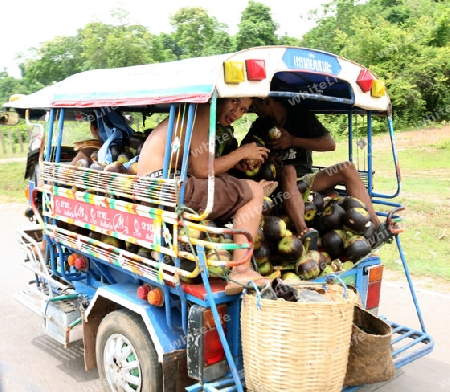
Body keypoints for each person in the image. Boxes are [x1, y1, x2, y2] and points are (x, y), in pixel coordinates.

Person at [138, 98, 271, 294]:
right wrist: (243, 152)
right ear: (220, 98)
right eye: (234, 101)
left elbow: (192, 166)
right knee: (254, 190)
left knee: (239, 186)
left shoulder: (194, 112)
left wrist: (234, 163)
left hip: (155, 187)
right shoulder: (203, 110)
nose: (237, 112)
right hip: (169, 187)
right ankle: (241, 271)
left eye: (243, 109)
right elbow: (201, 170)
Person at [244, 96, 398, 249]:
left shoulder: (301, 116)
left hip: (305, 179)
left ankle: (379, 228)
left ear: (268, 101)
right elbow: (246, 149)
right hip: (276, 185)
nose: (253, 109)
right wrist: (266, 156)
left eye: (255, 104)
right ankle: (304, 231)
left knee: (347, 167)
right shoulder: (260, 125)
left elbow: (329, 144)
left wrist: (292, 140)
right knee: (289, 170)